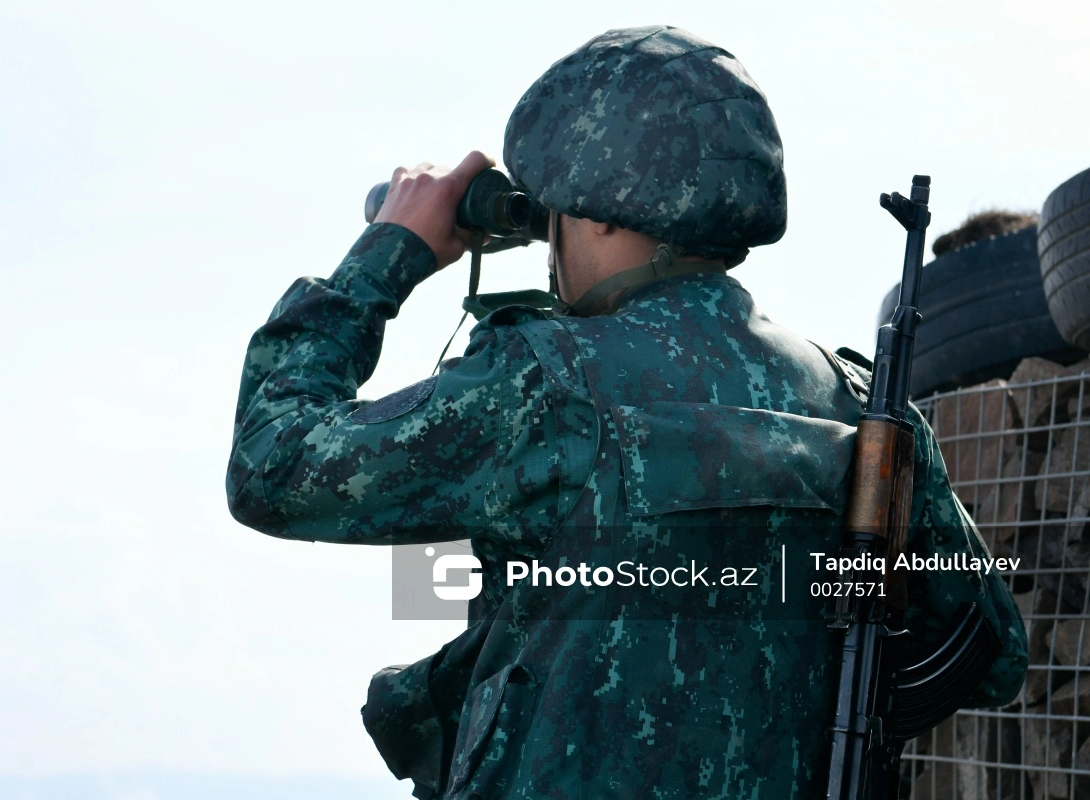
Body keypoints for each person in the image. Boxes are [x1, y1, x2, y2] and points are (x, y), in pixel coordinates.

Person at [227, 25, 1028, 800]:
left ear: (601, 210)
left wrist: (390, 251)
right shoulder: (855, 404)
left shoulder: (546, 388)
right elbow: (987, 650)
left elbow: (273, 466)